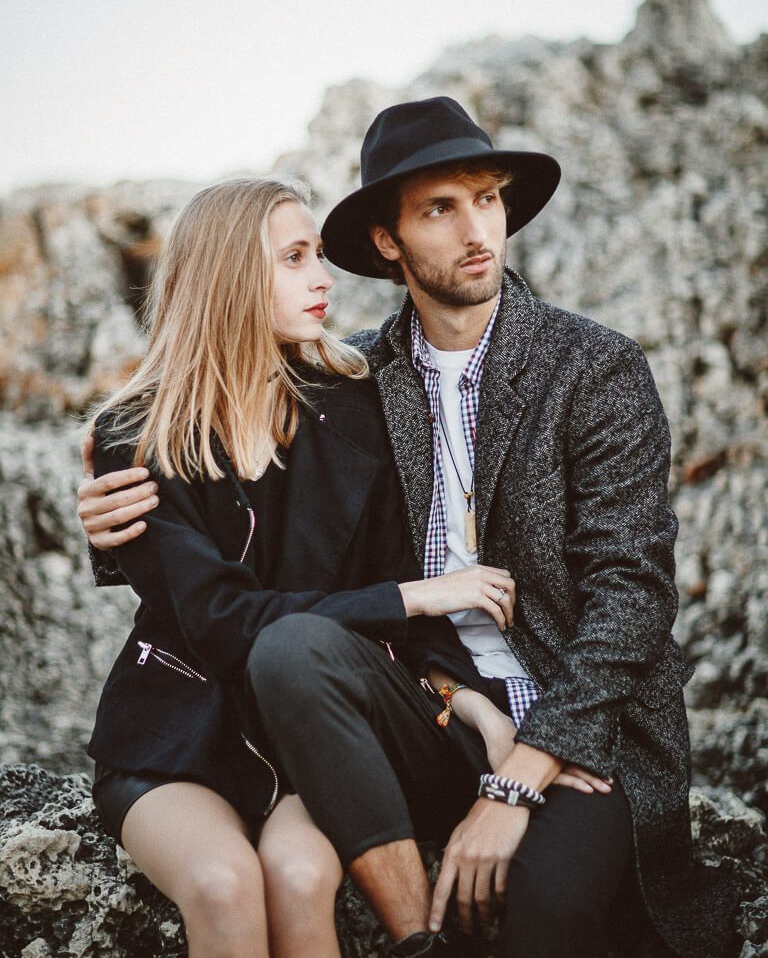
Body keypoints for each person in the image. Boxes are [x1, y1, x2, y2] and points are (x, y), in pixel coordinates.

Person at [79, 100, 737, 958]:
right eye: (440, 208)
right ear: (388, 241)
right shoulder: (351, 380)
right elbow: (216, 445)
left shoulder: (593, 368)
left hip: (569, 714)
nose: (479, 230)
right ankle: (414, 937)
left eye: (489, 199)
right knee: (293, 654)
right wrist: (109, 519)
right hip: (413, 706)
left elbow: (633, 593)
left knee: (544, 916)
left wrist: (523, 771)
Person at [80, 174, 539, 958]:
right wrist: (414, 597)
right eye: (294, 258)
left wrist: (468, 704)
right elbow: (221, 624)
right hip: (176, 737)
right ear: (229, 277)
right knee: (224, 884)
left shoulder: (353, 403)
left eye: (317, 255)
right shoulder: (137, 435)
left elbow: (388, 600)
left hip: (311, 740)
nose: (324, 278)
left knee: (297, 872)